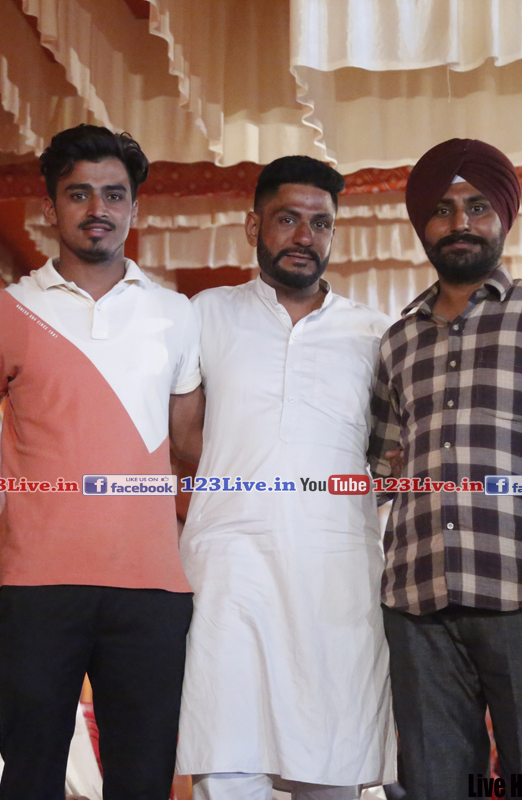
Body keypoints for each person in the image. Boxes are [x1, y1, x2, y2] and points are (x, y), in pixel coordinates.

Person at [368, 138, 522, 798]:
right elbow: (381, 472)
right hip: (416, 602)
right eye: (442, 210)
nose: (460, 223)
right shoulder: (396, 341)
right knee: (433, 784)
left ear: (504, 216)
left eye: (477, 207)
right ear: (421, 224)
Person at [0, 124, 202, 798]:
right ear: (50, 207)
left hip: (155, 591)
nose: (98, 208)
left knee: (144, 781)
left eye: (113, 194)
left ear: (134, 207)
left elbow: (194, 450)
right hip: (33, 587)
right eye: (79, 194)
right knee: (31, 778)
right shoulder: (6, 311)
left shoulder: (176, 314)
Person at [177, 156, 396, 799]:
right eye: (288, 219)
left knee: (332, 764)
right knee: (227, 763)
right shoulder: (207, 313)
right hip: (229, 572)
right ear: (254, 226)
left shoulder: (374, 333)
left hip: (337, 575)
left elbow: (389, 455)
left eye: (320, 223)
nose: (305, 236)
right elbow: (185, 436)